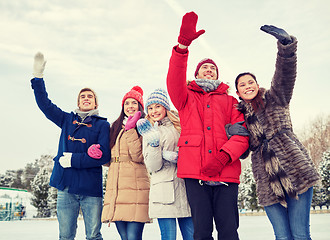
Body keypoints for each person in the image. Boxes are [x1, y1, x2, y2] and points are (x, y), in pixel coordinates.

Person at [166, 12, 249, 240]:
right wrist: (182, 47)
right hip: (196, 174)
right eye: (204, 68)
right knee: (201, 232)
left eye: (213, 68)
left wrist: (223, 158)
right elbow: (174, 79)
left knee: (229, 231)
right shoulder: (185, 97)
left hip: (226, 173)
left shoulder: (231, 101)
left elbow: (242, 135)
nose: (209, 70)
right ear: (196, 73)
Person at [235, 25, 321, 240]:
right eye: (242, 85)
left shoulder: (275, 98)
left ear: (257, 84)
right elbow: (242, 151)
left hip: (295, 171)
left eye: (250, 82)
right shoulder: (239, 116)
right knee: (282, 236)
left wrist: (286, 47)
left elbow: (285, 74)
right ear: (237, 92)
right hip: (266, 180)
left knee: (300, 234)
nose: (247, 86)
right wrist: (235, 133)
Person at [31, 52, 111, 240]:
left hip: (91, 189)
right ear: (78, 102)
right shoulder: (67, 120)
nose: (86, 98)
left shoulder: (102, 125)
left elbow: (104, 156)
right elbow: (45, 105)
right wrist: (38, 77)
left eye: (90, 96)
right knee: (65, 236)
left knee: (93, 236)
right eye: (82, 96)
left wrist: (74, 159)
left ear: (95, 102)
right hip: (66, 187)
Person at [136, 89, 194, 240]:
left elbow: (191, 151)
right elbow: (153, 166)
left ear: (165, 107)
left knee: (192, 236)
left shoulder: (180, 125)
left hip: (186, 187)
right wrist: (155, 145)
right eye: (150, 108)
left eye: (158, 106)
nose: (154, 111)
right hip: (163, 191)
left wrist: (180, 157)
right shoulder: (148, 131)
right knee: (168, 237)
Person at [101, 86, 150, 240]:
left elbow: (138, 156)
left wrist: (131, 130)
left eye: (134, 103)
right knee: (124, 237)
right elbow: (110, 159)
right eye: (127, 103)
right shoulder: (115, 127)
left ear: (140, 106)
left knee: (133, 237)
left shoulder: (144, 125)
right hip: (116, 188)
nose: (130, 106)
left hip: (136, 187)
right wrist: (99, 154)